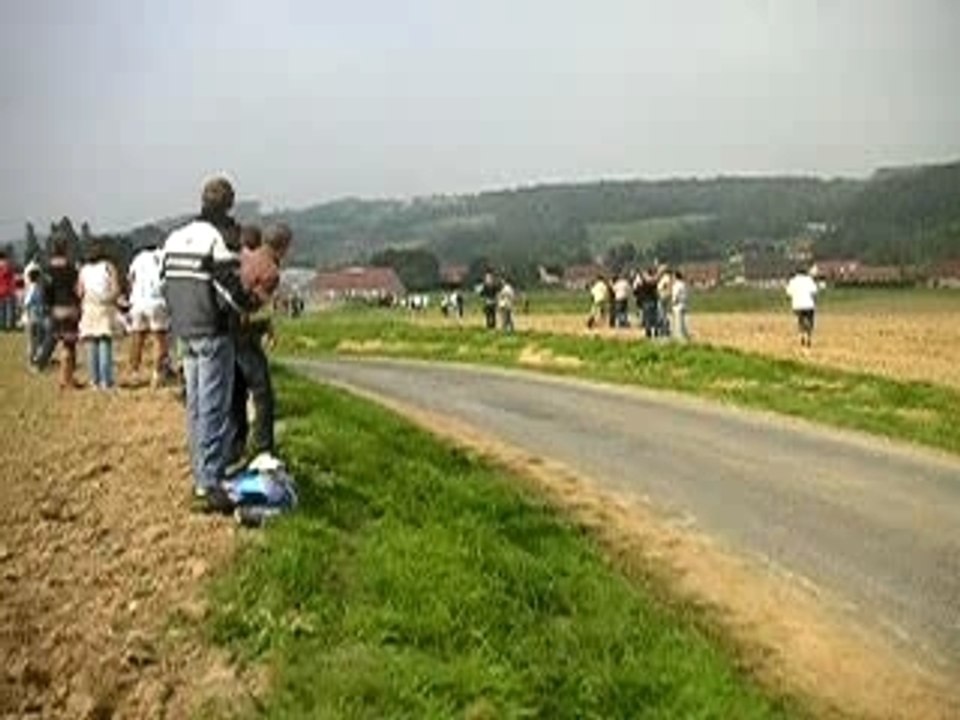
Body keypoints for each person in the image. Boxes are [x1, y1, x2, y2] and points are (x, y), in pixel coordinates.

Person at [162, 176, 260, 512]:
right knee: (214, 407)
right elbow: (228, 290)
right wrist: (250, 304)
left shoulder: (175, 237)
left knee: (195, 407)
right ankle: (209, 484)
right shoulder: (216, 240)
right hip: (212, 331)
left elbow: (166, 283)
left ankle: (199, 472)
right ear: (229, 204)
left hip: (183, 331)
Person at [229, 222, 292, 468]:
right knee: (263, 393)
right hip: (244, 334)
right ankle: (264, 449)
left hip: (226, 332)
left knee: (236, 393)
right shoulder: (271, 272)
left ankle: (235, 448)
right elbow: (252, 308)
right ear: (284, 246)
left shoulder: (246, 257)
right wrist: (266, 326)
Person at [38, 237, 81, 387]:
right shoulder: (72, 269)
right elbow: (78, 290)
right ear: (66, 250)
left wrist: (47, 308)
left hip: (56, 309)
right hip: (71, 308)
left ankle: (64, 379)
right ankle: (68, 378)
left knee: (56, 341)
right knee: (69, 346)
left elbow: (46, 292)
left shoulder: (47, 270)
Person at [78, 241, 121, 390]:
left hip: (89, 306)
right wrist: (110, 299)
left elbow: (79, 292)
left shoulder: (84, 269)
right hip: (104, 306)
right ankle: (106, 380)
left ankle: (93, 381)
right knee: (105, 342)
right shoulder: (109, 267)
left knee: (91, 344)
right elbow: (116, 290)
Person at [127, 244, 171, 387]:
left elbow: (131, 279)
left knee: (137, 338)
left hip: (138, 301)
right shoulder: (164, 256)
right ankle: (157, 374)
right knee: (159, 339)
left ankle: (134, 372)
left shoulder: (138, 258)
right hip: (157, 300)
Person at [786, 265, 819, 347]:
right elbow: (815, 291)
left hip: (797, 305)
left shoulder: (792, 281)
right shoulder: (809, 280)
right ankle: (808, 336)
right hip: (809, 304)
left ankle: (802, 335)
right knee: (810, 321)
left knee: (800, 320)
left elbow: (788, 293)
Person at [22, 267, 47, 368]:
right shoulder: (35, 288)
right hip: (34, 318)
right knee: (34, 342)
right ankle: (32, 361)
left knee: (36, 341)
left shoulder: (34, 288)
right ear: (38, 277)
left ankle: (36, 359)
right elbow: (27, 304)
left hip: (35, 318)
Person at [633, 267, 659, 339]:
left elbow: (638, 287)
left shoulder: (644, 284)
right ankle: (656, 331)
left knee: (647, 318)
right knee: (654, 317)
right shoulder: (654, 283)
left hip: (646, 301)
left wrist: (640, 273)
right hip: (653, 301)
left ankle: (648, 332)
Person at [670, 270, 690, 341]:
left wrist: (673, 302)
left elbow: (675, 295)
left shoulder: (676, 285)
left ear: (676, 277)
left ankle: (679, 338)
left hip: (677, 305)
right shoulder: (683, 284)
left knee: (678, 323)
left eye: (673, 276)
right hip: (684, 304)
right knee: (684, 323)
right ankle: (685, 336)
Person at [0, 249, 15, 331]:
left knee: (1, 310)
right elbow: (12, 279)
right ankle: (9, 326)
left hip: (0, 291)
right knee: (9, 310)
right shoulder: (8, 266)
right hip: (8, 290)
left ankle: (2, 325)